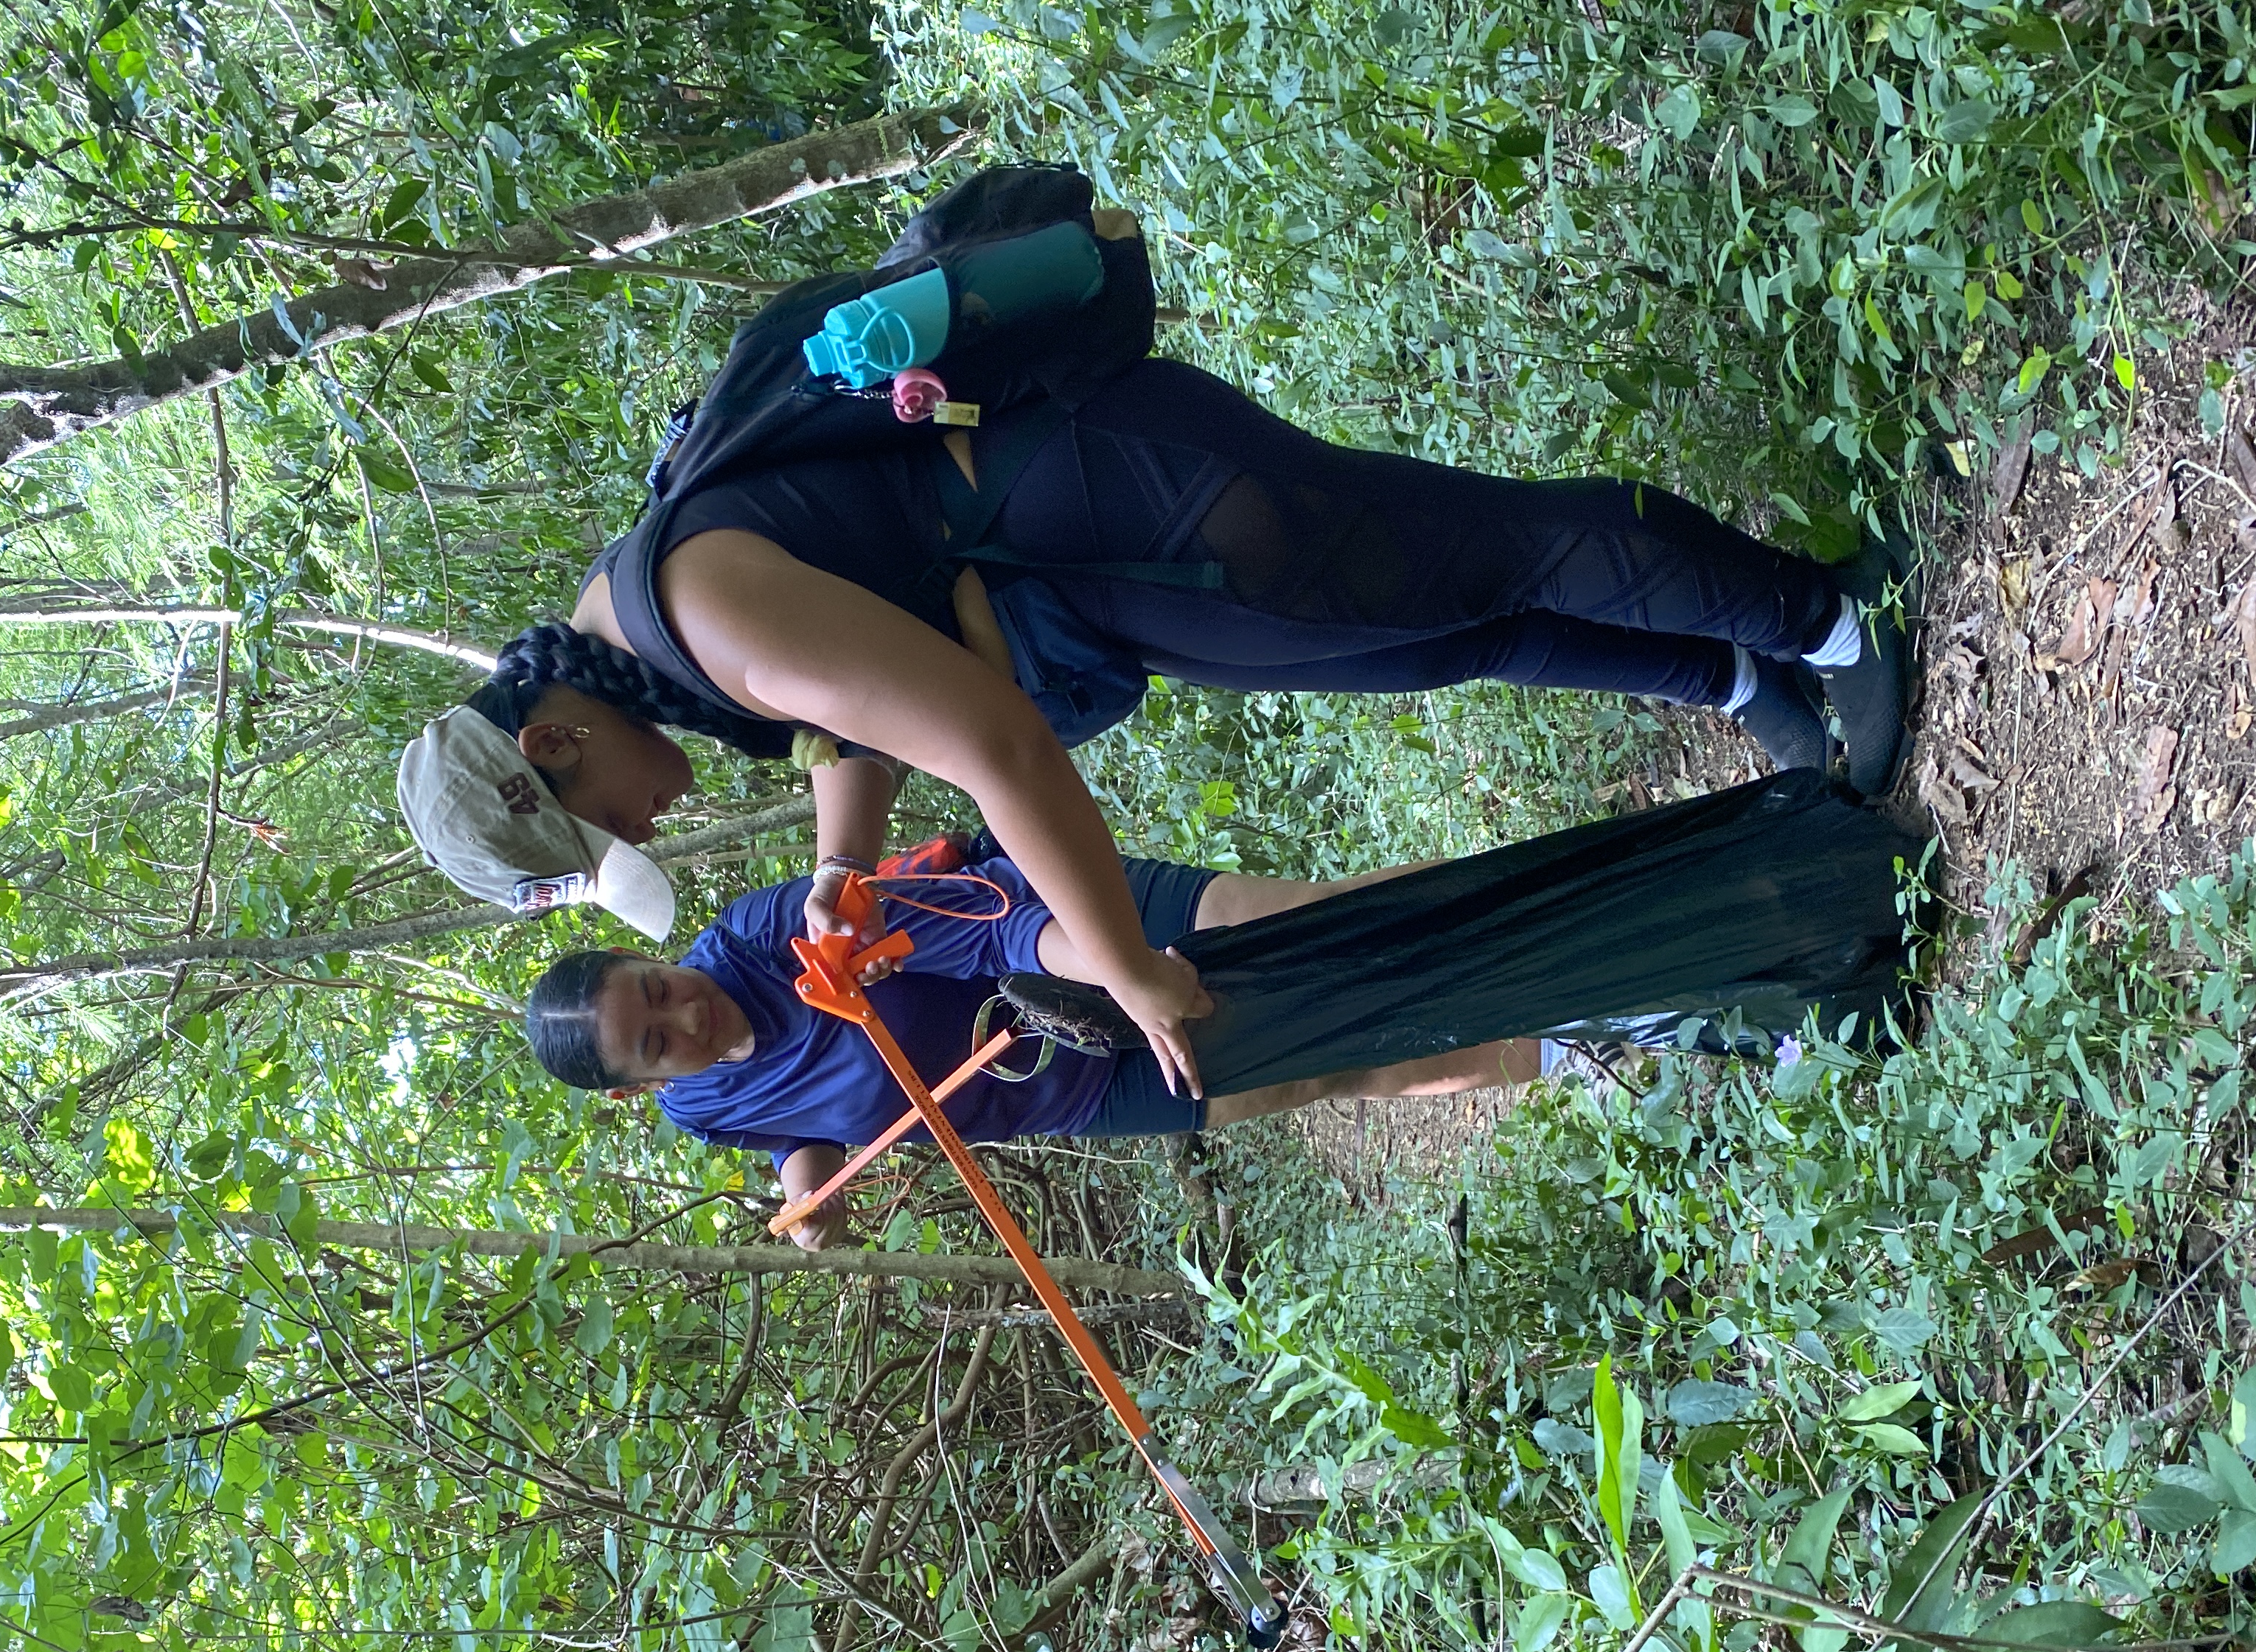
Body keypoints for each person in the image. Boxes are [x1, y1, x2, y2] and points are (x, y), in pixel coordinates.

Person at [402, 169, 1913, 1097]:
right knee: (1437, 642)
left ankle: (1825, 622)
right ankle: (1735, 676)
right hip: (1103, 570)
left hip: (1127, 498)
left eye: (602, 818)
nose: (646, 817)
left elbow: (989, 746)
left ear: (553, 743)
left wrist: (1126, 965)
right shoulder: (648, 640)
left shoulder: (695, 606)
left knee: (1475, 553)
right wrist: (838, 874)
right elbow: (854, 718)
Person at [522, 836, 1540, 1249]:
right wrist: (807, 1191)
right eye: (657, 1040)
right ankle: (1558, 1046)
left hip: (1070, 932)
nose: (686, 1015)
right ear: (636, 1088)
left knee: (1323, 927)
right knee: (1322, 1071)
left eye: (656, 988)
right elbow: (800, 1130)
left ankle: (1543, 916)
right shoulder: (697, 1107)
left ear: (639, 955)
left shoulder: (764, 934)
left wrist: (1122, 968)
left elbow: (984, 918)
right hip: (1060, 1092)